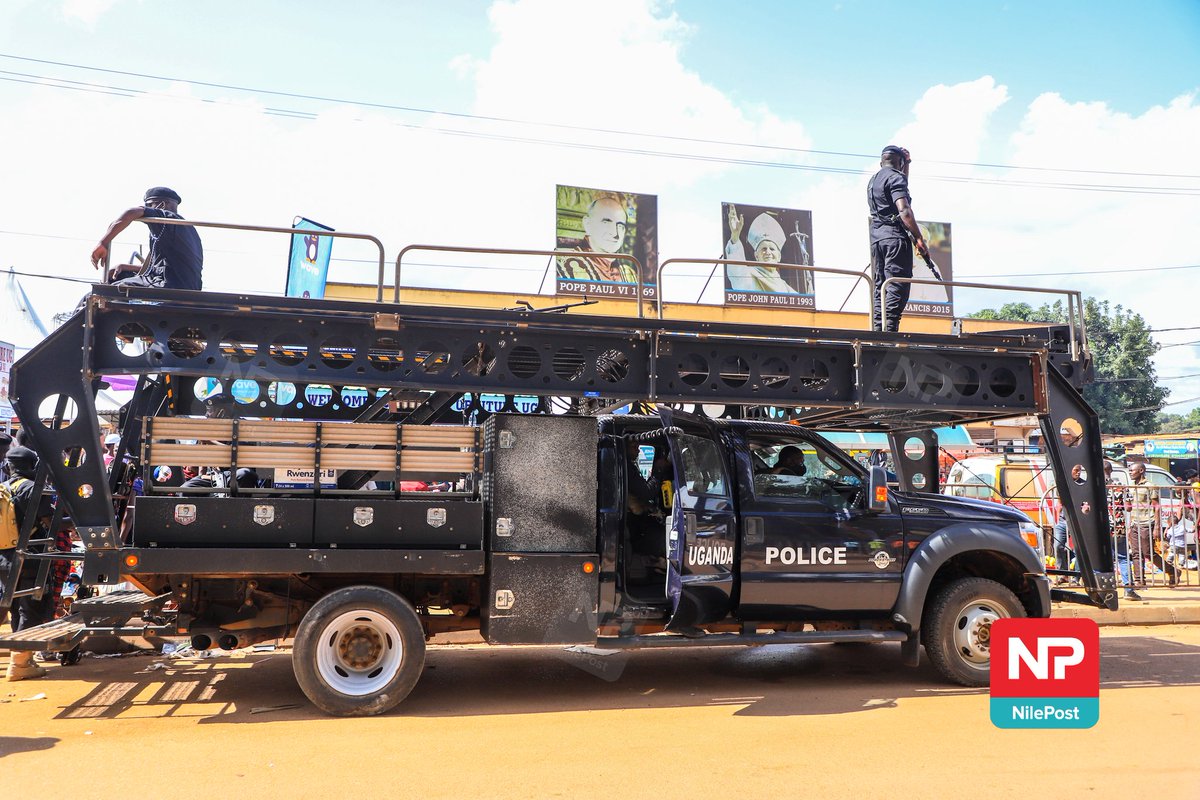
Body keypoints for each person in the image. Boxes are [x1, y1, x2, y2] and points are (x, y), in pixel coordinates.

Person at [2, 446, 53, 681]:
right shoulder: (30, 488)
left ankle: (20, 658)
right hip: (29, 555)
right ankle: (20, 665)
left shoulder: (3, 488)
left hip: (4, 555)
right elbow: (48, 520)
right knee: (29, 606)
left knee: (12, 607)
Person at [90, 187, 203, 291]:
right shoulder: (187, 230)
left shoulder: (166, 219)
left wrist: (103, 243)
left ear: (162, 205)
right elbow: (168, 268)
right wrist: (124, 266)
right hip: (187, 286)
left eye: (148, 205)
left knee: (105, 292)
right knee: (122, 274)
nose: (145, 209)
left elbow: (132, 212)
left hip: (167, 285)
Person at [867, 145, 929, 332]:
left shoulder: (873, 180)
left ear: (882, 162)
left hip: (877, 240)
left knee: (880, 287)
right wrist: (919, 239)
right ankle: (890, 331)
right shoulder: (895, 177)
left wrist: (906, 163)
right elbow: (904, 209)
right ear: (899, 163)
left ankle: (879, 330)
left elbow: (901, 188)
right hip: (895, 239)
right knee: (896, 285)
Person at [559, 195, 638, 284]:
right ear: (587, 224)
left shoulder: (629, 275)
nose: (615, 234)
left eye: (620, 226)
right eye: (606, 222)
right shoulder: (563, 268)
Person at [724, 206, 798, 294]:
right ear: (756, 256)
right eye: (764, 249)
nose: (768, 252)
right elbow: (737, 275)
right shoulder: (749, 275)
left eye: (772, 249)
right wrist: (735, 236)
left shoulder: (786, 289)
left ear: (779, 257)